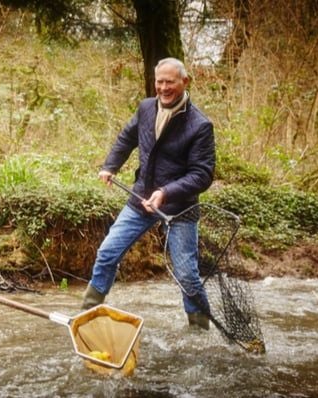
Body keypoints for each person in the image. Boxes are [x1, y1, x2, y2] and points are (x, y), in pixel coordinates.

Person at [81, 57, 216, 330]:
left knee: (187, 275)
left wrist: (165, 193)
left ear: (185, 82)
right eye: (159, 81)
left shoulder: (200, 125)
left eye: (170, 82)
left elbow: (202, 175)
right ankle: (87, 314)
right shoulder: (145, 108)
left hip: (180, 208)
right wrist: (110, 165)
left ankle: (199, 328)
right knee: (107, 253)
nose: (164, 87)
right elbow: (127, 137)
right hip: (141, 199)